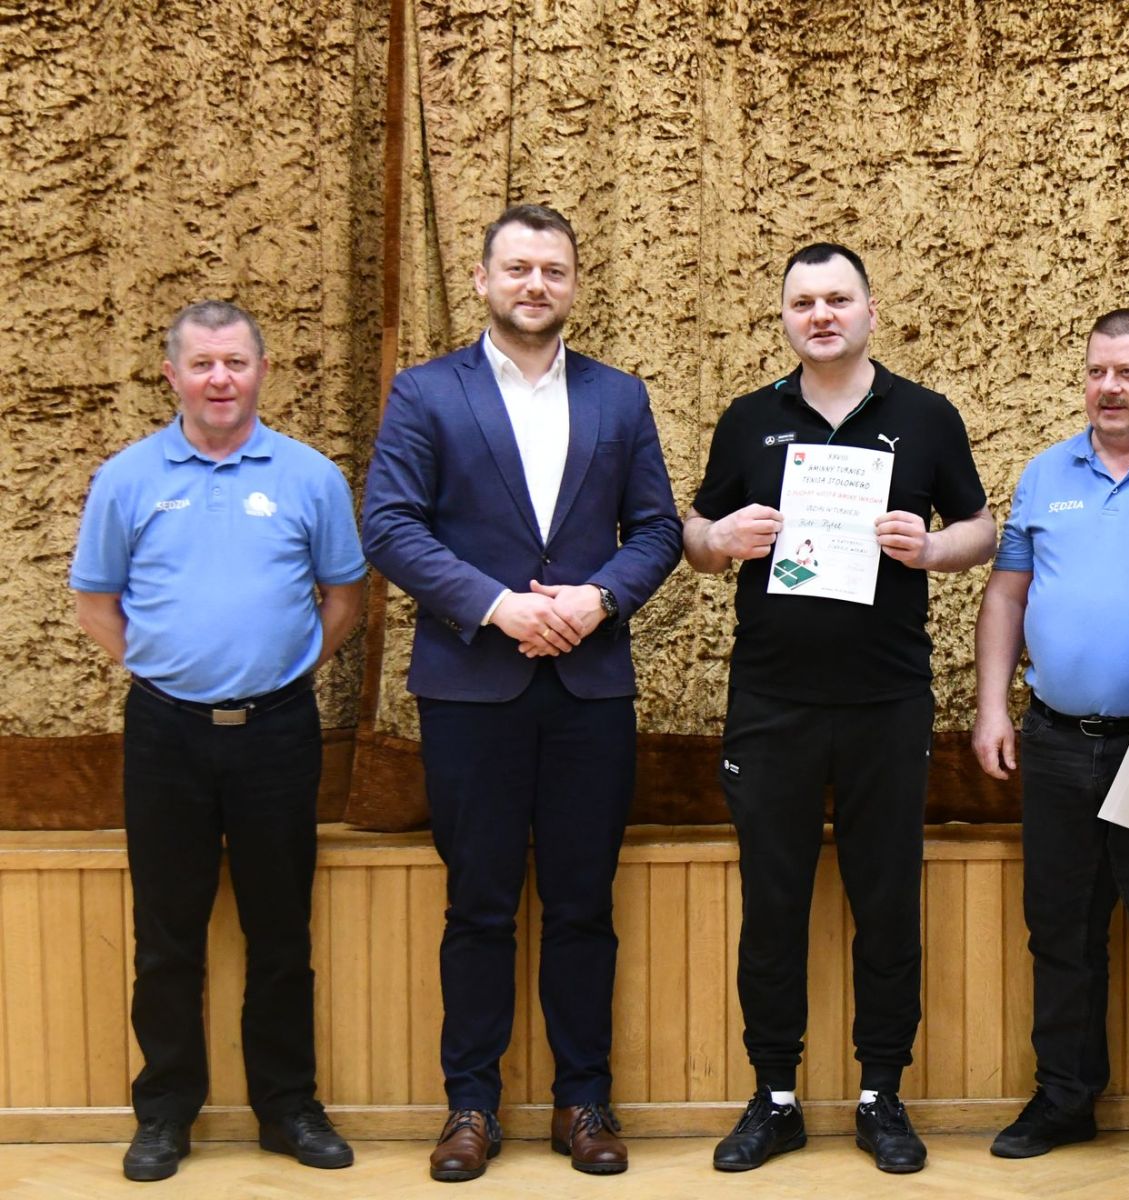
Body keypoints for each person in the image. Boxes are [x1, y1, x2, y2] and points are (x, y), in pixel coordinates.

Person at [362, 204, 682, 1182]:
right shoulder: (426, 393)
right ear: (482, 279)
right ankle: (471, 1106)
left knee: (584, 904)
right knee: (479, 906)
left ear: (575, 283)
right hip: (471, 689)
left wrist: (599, 598)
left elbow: (657, 530)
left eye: (553, 269)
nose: (535, 284)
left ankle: (585, 1101)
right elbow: (390, 526)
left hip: (589, 690)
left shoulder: (620, 398)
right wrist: (497, 607)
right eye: (517, 268)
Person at [684, 243, 994, 1174]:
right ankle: (774, 1097)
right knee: (772, 904)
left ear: (869, 311)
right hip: (770, 703)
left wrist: (932, 549)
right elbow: (692, 536)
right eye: (803, 302)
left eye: (838, 299)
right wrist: (720, 538)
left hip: (886, 703)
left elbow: (982, 529)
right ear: (785, 317)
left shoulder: (926, 416)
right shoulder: (748, 420)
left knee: (887, 901)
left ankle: (881, 1095)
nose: (820, 315)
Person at [71, 300, 364, 1182]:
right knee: (167, 937)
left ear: (263, 371)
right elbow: (95, 606)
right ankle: (164, 1113)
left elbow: (344, 599)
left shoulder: (311, 477)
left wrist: (281, 669)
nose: (220, 379)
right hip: (166, 735)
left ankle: (289, 1107)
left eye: (235, 362)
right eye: (202, 364)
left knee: (281, 933)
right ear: (172, 375)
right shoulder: (126, 478)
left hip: (278, 732)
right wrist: (170, 671)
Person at [972, 309, 1129, 1172]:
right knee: (1061, 934)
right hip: (1055, 740)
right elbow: (1007, 594)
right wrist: (992, 706)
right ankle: (1064, 1099)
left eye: (1128, 372)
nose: (1108, 388)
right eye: (1096, 372)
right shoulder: (1047, 472)